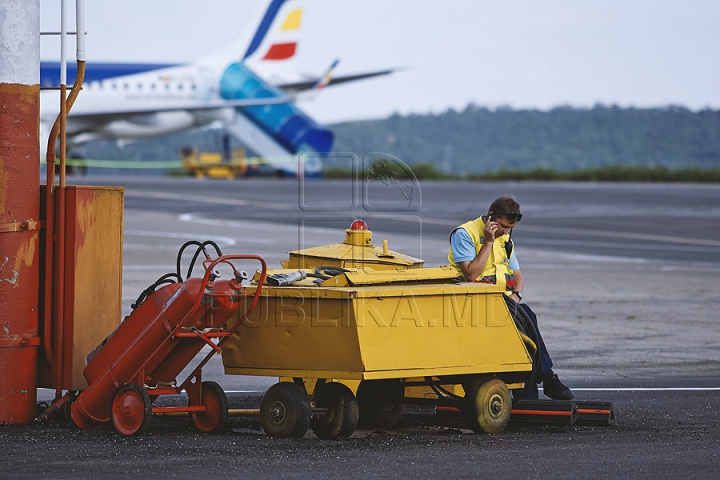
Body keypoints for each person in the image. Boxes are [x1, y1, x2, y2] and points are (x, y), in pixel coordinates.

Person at [448, 194, 574, 400]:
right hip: (472, 300)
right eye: (503, 227)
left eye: (509, 228)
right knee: (527, 319)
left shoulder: (505, 239)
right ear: (490, 218)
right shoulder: (465, 234)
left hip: (503, 301)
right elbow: (470, 274)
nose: (506, 232)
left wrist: (517, 294)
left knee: (525, 325)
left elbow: (517, 275)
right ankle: (548, 378)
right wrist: (488, 242)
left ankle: (530, 397)